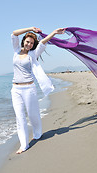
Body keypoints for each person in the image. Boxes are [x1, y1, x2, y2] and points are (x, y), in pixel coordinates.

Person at [11, 26, 65, 154]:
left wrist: (54, 32)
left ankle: (37, 133)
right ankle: (24, 145)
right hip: (15, 89)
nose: (29, 44)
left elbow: (43, 42)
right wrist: (30, 29)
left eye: (31, 43)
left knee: (32, 114)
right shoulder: (16, 50)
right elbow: (14, 33)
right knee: (19, 117)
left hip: (29, 88)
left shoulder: (33, 54)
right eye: (27, 41)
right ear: (23, 40)